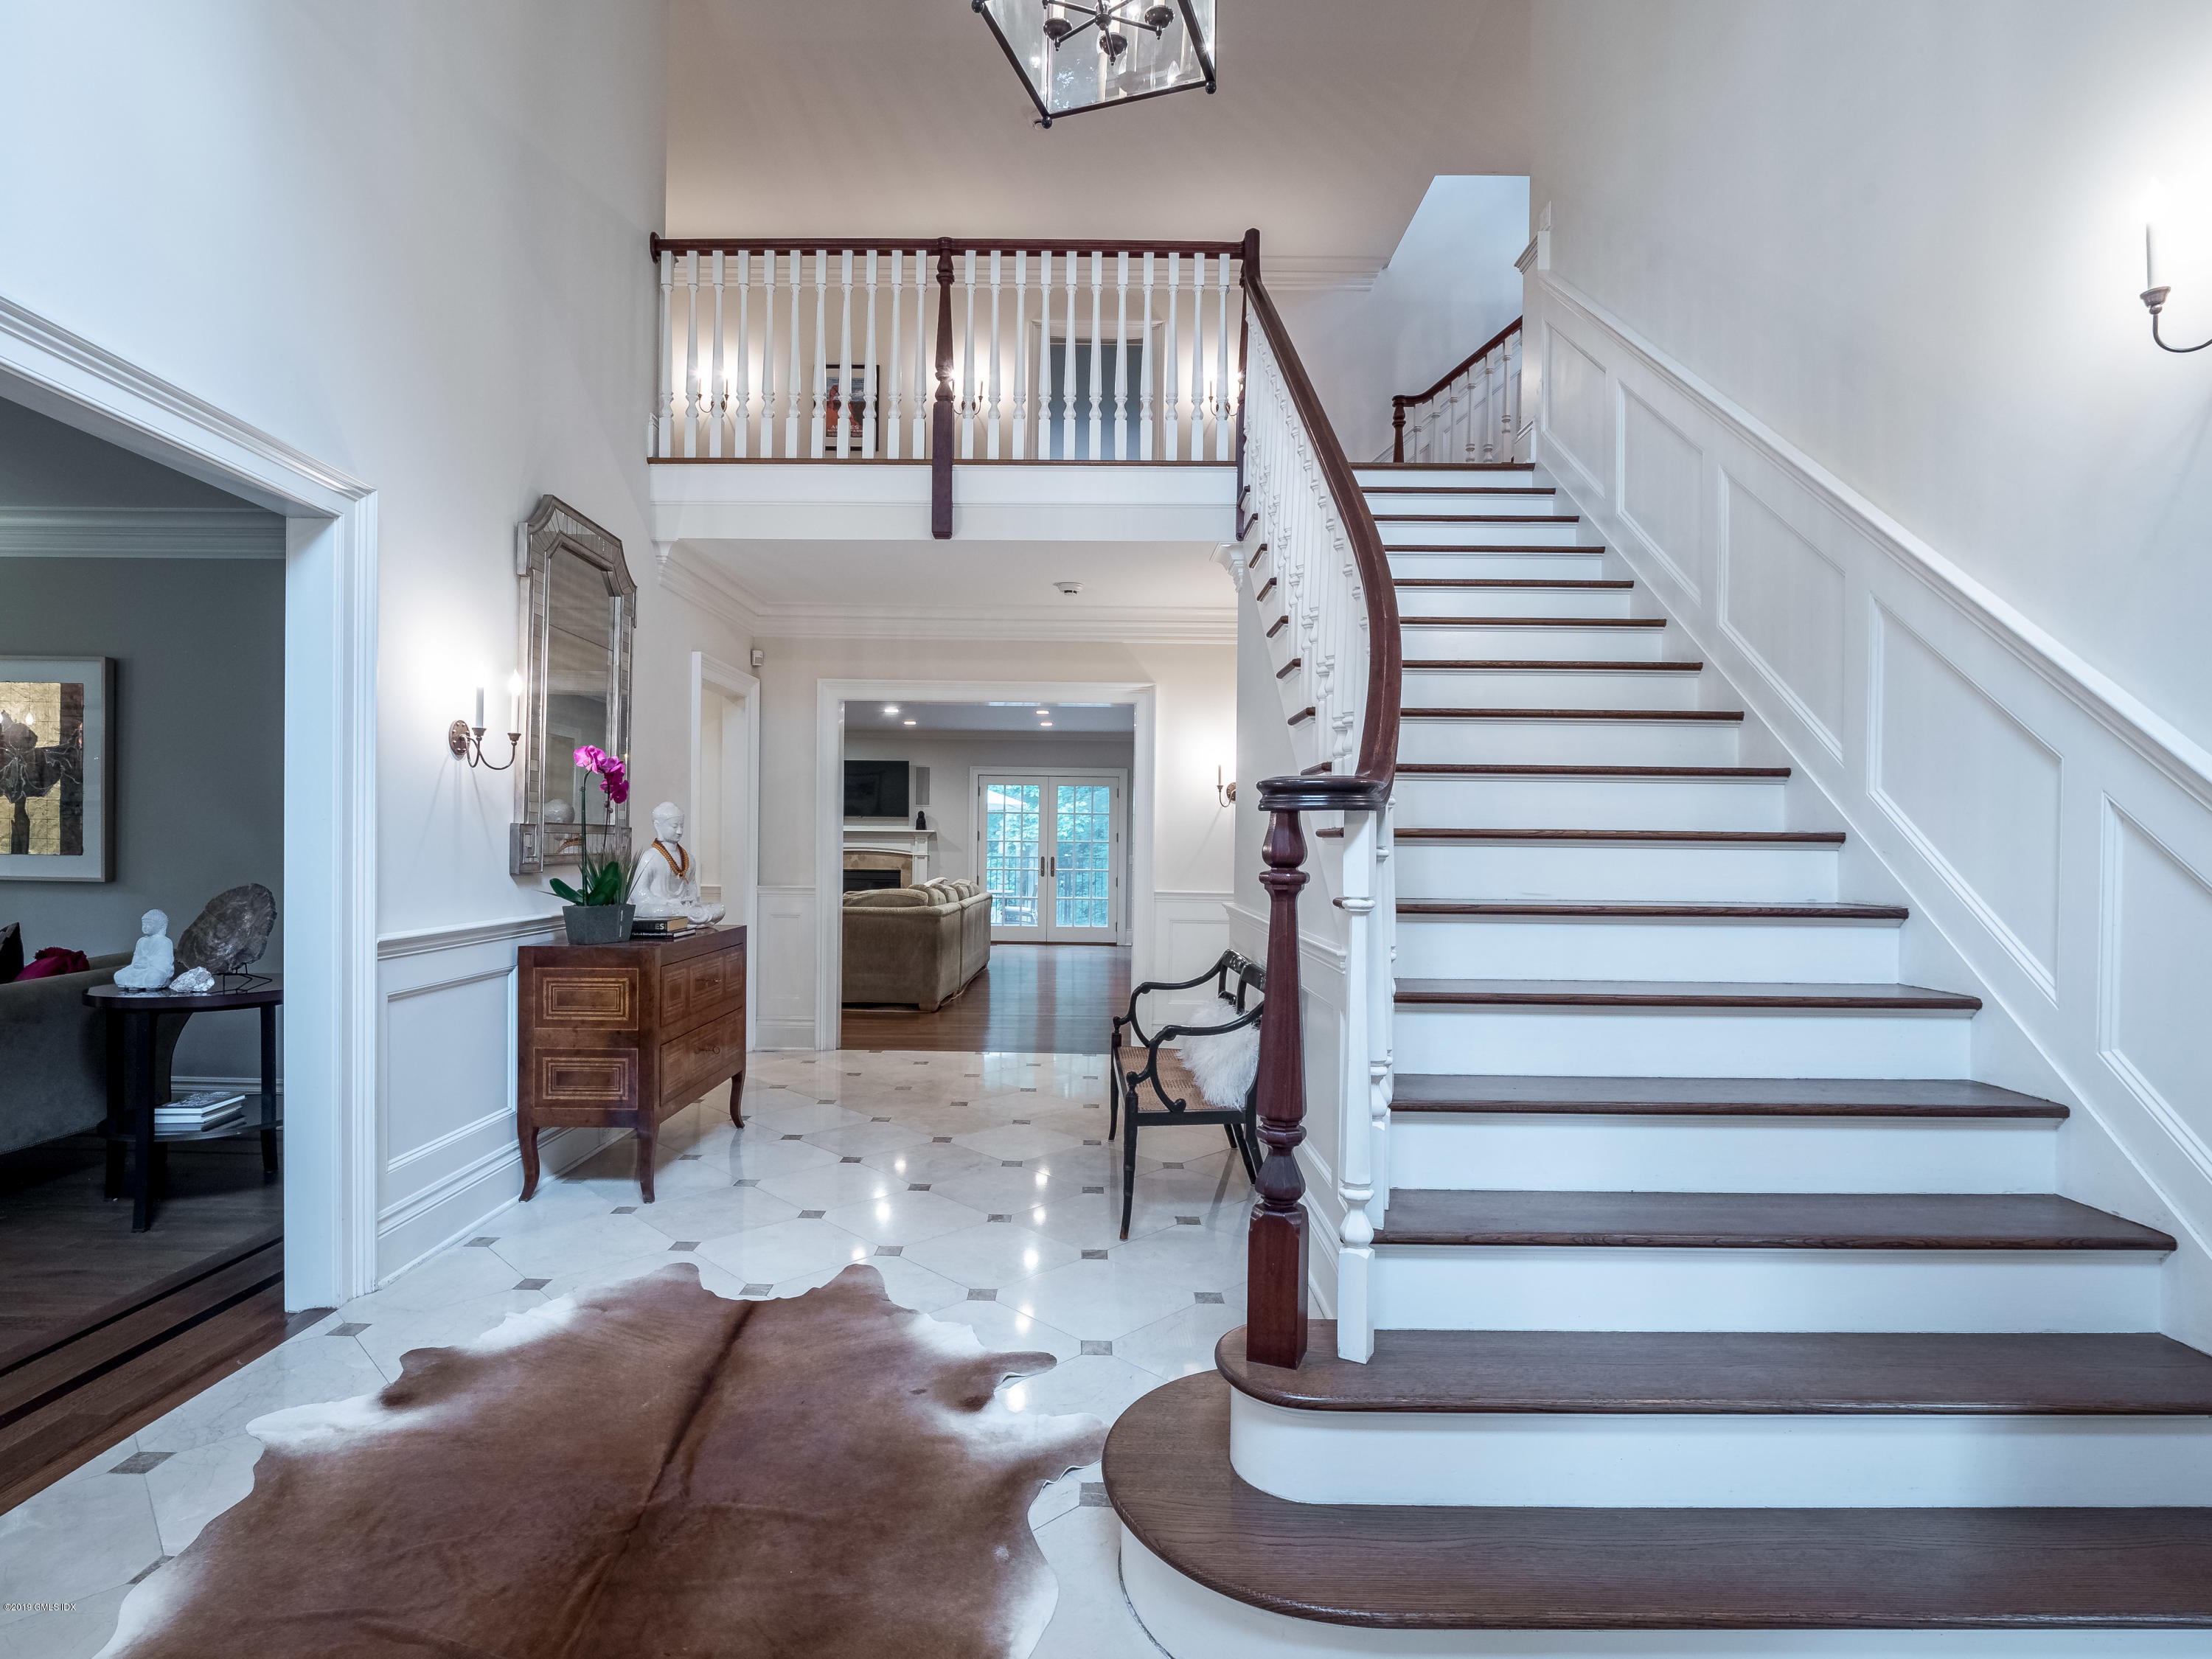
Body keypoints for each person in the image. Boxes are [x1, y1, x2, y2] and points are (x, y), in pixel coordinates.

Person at [627, 801, 726, 924]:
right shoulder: (649, 857)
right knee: (658, 911)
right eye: (674, 827)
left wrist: (691, 899)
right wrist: (666, 902)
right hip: (662, 907)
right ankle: (692, 918)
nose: (679, 831)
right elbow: (638, 894)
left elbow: (691, 886)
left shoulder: (688, 858)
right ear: (658, 826)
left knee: (720, 908)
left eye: (682, 826)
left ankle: (690, 917)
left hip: (683, 908)